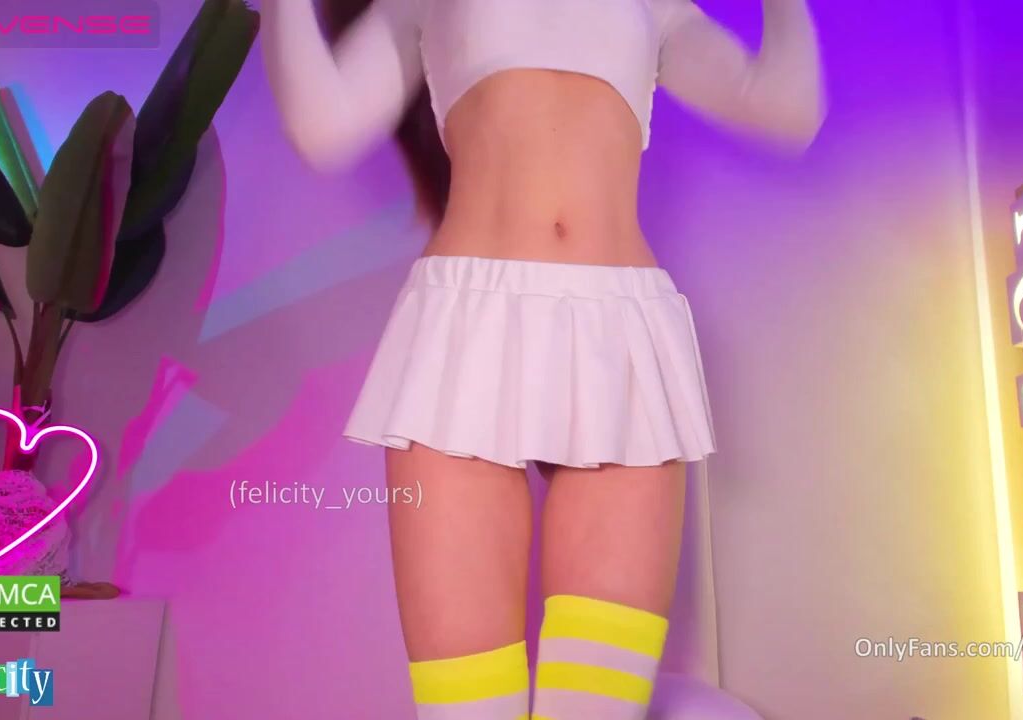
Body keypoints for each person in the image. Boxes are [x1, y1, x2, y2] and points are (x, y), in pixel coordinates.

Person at [261, 1, 824, 717]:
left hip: (618, 338)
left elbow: (786, 109)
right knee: (469, 709)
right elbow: (323, 127)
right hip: (466, 332)